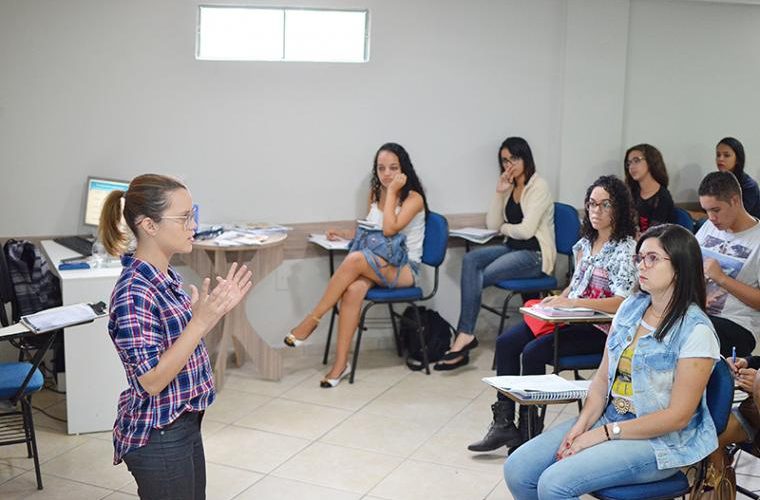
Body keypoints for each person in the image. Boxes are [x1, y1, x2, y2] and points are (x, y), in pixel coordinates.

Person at [504, 224, 721, 498]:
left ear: (680, 266)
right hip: (612, 416)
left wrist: (604, 433)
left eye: (652, 259)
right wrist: (581, 425)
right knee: (518, 470)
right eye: (640, 258)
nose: (642, 265)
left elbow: (677, 417)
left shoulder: (695, 330)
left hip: (662, 442)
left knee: (555, 483)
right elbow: (602, 379)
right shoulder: (631, 307)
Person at [100, 174, 253, 499]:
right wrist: (198, 323)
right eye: (184, 218)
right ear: (149, 225)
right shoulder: (133, 293)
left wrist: (207, 317)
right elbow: (151, 381)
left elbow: (177, 349)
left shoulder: (164, 277)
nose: (193, 225)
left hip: (182, 422)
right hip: (160, 433)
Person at [468, 175, 638, 452]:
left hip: (600, 330)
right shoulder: (586, 242)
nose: (596, 211)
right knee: (506, 343)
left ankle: (529, 431)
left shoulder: (625, 248)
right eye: (592, 204)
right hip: (570, 319)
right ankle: (503, 424)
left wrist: (577, 305)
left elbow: (622, 302)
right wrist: (562, 297)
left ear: (618, 208)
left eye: (604, 205)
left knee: (533, 352)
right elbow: (577, 285)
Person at [284, 143, 428, 387]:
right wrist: (343, 233)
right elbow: (371, 232)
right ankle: (340, 365)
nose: (387, 174)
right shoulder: (375, 193)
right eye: (381, 168)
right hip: (376, 262)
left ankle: (312, 320)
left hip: (405, 268)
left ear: (404, 169)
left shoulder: (414, 198)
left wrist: (392, 192)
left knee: (354, 259)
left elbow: (390, 228)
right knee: (352, 291)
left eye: (393, 168)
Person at [435, 137, 555, 371]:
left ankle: (464, 337)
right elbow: (493, 222)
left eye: (514, 158)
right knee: (470, 260)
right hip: (512, 247)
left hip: (535, 254)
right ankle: (466, 335)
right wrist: (500, 192)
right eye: (505, 160)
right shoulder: (510, 186)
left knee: (481, 275)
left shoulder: (539, 186)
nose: (510, 165)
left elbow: (527, 230)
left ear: (526, 157)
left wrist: (504, 229)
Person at [696, 171, 760, 357]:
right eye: (706, 211)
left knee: (691, 332)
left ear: (735, 200)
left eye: (716, 210)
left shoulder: (756, 240)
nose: (711, 217)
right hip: (699, 312)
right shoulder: (710, 227)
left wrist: (722, 279)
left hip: (736, 323)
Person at [623, 143, 675, 233]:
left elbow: (655, 234)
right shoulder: (631, 192)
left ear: (651, 162)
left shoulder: (663, 197)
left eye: (636, 161)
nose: (631, 167)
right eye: (629, 163)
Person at [716, 137, 760, 218]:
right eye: (718, 155)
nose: (720, 159)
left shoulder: (749, 186)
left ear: (737, 159)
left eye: (726, 155)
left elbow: (737, 216)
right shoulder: (715, 181)